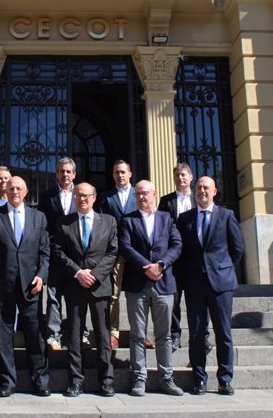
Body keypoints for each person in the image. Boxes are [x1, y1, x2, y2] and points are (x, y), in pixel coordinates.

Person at [0, 176, 51, 398]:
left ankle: (40, 380)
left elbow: (45, 253)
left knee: (35, 334)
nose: (15, 191)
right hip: (1, 286)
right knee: (2, 335)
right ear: (5, 191)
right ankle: (6, 382)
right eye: (11, 188)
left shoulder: (38, 218)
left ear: (26, 191)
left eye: (19, 188)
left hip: (31, 286)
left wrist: (41, 276)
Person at [176, 176, 244, 396]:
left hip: (221, 284)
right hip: (194, 284)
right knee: (196, 333)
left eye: (206, 187)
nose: (201, 191)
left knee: (223, 332)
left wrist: (223, 269)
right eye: (198, 188)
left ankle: (225, 379)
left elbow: (237, 248)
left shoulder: (226, 216)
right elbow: (181, 251)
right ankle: (199, 379)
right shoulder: (184, 218)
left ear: (215, 191)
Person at [119, 180, 183, 397]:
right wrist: (146, 267)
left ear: (154, 194)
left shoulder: (166, 218)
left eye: (145, 193)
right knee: (137, 334)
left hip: (164, 284)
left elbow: (177, 245)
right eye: (138, 194)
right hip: (137, 284)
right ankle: (139, 378)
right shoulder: (128, 220)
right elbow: (125, 246)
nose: (142, 197)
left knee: (164, 335)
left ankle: (167, 378)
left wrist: (161, 265)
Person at [52, 183, 116, 398]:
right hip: (74, 285)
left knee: (103, 335)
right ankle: (76, 381)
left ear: (94, 197)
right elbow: (58, 252)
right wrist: (78, 272)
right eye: (78, 195)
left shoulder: (108, 221)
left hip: (99, 286)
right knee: (74, 334)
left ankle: (106, 381)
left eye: (86, 195)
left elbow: (113, 252)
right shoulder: (64, 223)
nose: (82, 199)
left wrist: (95, 274)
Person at [157, 163, 211, 353]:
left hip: (196, 258)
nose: (180, 178)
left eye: (184, 175)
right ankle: (175, 334)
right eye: (177, 175)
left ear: (191, 177)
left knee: (200, 299)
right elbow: (161, 226)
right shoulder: (166, 201)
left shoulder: (200, 199)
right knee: (174, 297)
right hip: (175, 258)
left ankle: (203, 335)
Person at [98, 160, 147, 350]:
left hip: (138, 252)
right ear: (113, 175)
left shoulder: (140, 195)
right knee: (113, 295)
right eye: (117, 172)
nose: (120, 175)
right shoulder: (106, 198)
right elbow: (101, 225)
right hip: (116, 253)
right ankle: (113, 333)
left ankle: (141, 334)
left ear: (130, 174)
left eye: (123, 172)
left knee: (141, 295)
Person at [38, 157, 85, 350]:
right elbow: (43, 225)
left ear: (74, 174)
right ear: (56, 173)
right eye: (61, 171)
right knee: (54, 296)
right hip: (54, 253)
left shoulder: (82, 194)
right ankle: (54, 335)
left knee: (80, 296)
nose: (65, 174)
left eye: (68, 171)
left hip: (77, 253)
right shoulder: (47, 196)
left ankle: (82, 333)